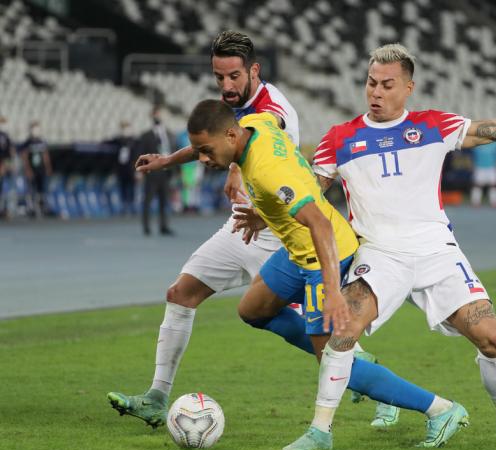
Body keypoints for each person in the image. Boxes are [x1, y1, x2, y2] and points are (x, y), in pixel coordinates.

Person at [262, 43, 496, 450]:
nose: (375, 91)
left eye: (387, 85)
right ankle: (320, 430)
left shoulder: (434, 126)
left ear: (408, 87)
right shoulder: (339, 139)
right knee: (343, 331)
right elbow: (308, 197)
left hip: (437, 252)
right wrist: (265, 208)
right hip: (379, 254)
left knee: (492, 339)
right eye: (371, 83)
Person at [108, 31, 399, 429]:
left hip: (284, 233)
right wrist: (166, 161)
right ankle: (158, 397)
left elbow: (256, 139)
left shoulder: (271, 104)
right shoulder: (229, 114)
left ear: (253, 71)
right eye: (218, 77)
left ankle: (382, 392)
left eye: (233, 77)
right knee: (181, 293)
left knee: (326, 336)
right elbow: (210, 141)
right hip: (242, 225)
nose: (226, 86)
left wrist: (232, 170)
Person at [193, 101, 463, 450]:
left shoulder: (267, 171)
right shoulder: (256, 121)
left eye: (205, 151)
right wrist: (170, 161)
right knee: (253, 310)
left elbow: (318, 223)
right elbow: (268, 123)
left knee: (332, 361)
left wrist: (332, 291)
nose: (201, 159)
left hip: (325, 254)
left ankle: (439, 409)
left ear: (231, 135)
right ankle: (356, 364)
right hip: (298, 249)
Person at [138, 106, 175, 235]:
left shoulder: (169, 134)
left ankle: (164, 225)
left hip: (166, 172)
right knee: (148, 200)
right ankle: (146, 226)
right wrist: (140, 171)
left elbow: (173, 151)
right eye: (155, 115)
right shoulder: (146, 135)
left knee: (164, 201)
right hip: (152, 173)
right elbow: (141, 154)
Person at [20, 121, 52, 218]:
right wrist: (27, 169)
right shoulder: (27, 142)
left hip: (41, 169)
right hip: (32, 169)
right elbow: (24, 156)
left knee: (42, 189)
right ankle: (32, 208)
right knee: (32, 189)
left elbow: (45, 155)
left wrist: (48, 167)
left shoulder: (42, 141)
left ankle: (42, 207)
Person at [112, 120, 138, 215]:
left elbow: (137, 155)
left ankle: (132, 207)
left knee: (132, 188)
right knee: (122, 188)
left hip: (131, 168)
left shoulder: (134, 141)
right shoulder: (118, 141)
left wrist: (137, 170)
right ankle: (124, 207)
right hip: (121, 169)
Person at [470, 141, 496, 207]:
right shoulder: (476, 141)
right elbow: (473, 156)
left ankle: (494, 202)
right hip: (479, 166)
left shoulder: (495, 143)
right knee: (477, 185)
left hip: (492, 167)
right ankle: (475, 202)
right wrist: (473, 166)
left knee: (494, 185)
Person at [0, 115, 16, 218]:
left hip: (6, 164)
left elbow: (11, 151)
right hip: (2, 164)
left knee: (8, 188)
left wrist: (10, 164)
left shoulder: (6, 136)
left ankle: (7, 210)